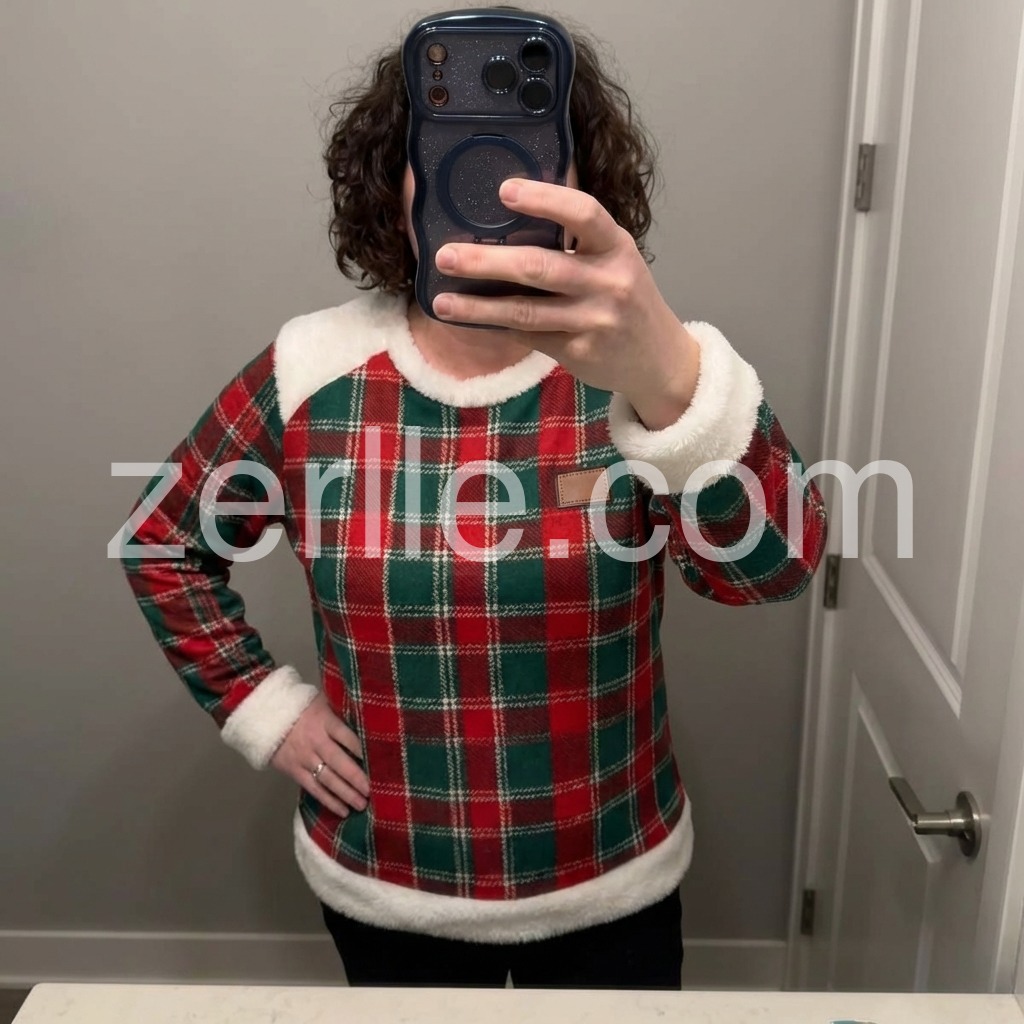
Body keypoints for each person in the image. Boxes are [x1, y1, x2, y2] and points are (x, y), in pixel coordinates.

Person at [120, 7, 828, 991]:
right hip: (387, 879)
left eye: (523, 155)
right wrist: (265, 710)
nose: (489, 184)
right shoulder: (311, 370)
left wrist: (674, 377)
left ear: (580, 182)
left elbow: (774, 571)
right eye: (449, 148)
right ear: (396, 176)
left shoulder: (641, 366)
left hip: (611, 878)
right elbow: (161, 541)